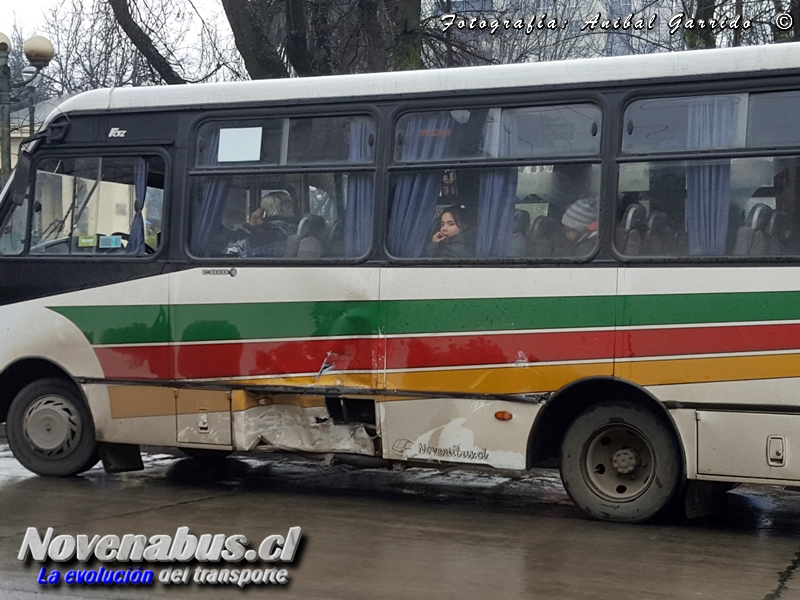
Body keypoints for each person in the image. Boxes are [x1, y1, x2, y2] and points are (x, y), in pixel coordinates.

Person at [225, 191, 297, 258]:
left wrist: (248, 228)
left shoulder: (267, 233)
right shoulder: (294, 228)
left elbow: (231, 252)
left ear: (264, 212)